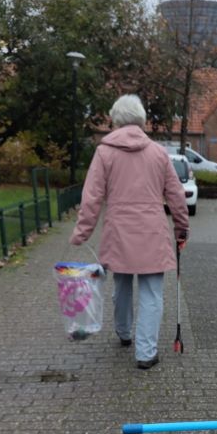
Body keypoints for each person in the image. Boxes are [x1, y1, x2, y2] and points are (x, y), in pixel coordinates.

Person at [70, 94, 189, 369]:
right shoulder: (158, 153)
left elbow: (92, 196)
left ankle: (124, 333)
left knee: (121, 287)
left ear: (115, 119)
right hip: (152, 233)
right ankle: (145, 353)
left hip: (119, 232)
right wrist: (181, 226)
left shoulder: (104, 152)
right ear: (141, 119)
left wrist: (82, 232)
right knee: (152, 294)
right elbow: (176, 195)